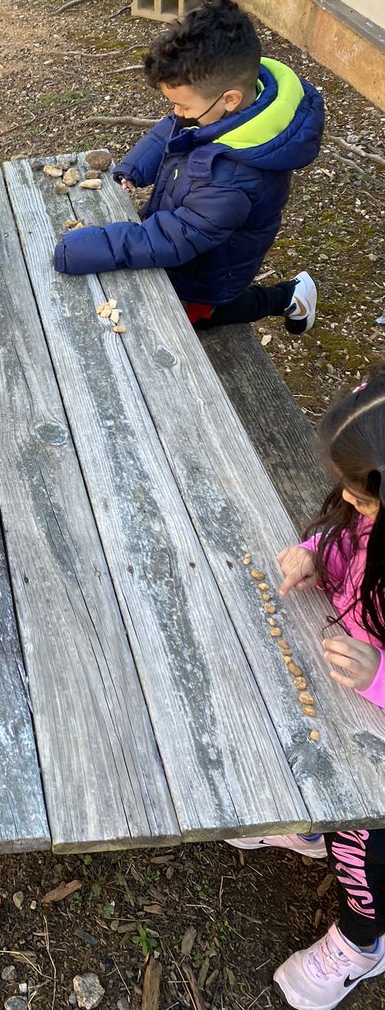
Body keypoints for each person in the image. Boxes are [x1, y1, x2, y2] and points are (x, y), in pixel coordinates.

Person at [227, 371, 385, 1009]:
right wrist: (318, 554)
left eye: (360, 497)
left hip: (376, 722)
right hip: (350, 690)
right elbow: (352, 545)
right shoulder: (367, 515)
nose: (346, 500)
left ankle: (363, 941)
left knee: (367, 834)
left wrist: (379, 675)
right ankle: (312, 828)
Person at [54, 0, 324, 332]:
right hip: (194, 240)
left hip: (208, 270)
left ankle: (289, 297)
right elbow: (172, 129)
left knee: (200, 316)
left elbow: (174, 238)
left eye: (182, 105)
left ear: (230, 99)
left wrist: (81, 249)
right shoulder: (224, 108)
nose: (176, 112)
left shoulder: (234, 181)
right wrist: (134, 169)